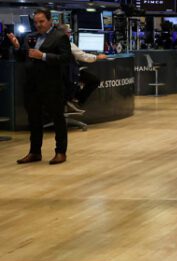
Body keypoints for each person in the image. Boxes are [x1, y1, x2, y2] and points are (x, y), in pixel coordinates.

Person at [5, 9, 72, 165]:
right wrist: (17, 47)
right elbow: (23, 57)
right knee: (34, 119)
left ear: (50, 21)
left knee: (57, 118)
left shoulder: (59, 37)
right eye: (36, 22)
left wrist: (43, 56)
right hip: (32, 85)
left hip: (52, 84)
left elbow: (65, 59)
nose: (38, 25)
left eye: (41, 21)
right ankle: (35, 152)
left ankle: (60, 152)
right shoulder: (30, 37)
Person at [59, 24, 107, 110]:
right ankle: (77, 100)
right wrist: (97, 57)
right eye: (69, 32)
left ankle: (71, 98)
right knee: (95, 81)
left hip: (60, 74)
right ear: (64, 33)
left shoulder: (54, 43)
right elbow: (83, 56)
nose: (70, 34)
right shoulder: (69, 45)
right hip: (70, 73)